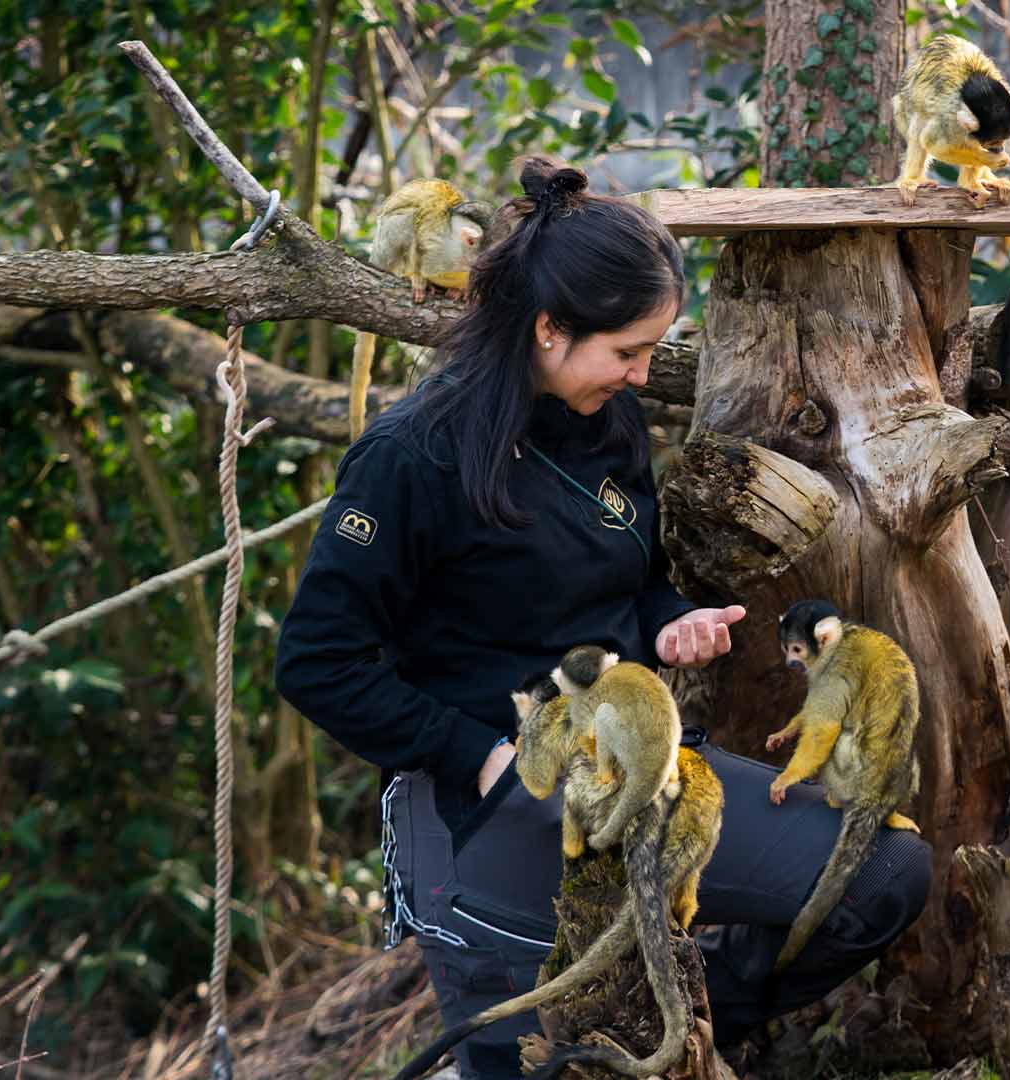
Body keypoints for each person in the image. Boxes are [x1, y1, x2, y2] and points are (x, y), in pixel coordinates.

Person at [274, 157, 932, 1079]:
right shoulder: (410, 457)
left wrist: (667, 623)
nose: (642, 374)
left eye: (651, 350)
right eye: (626, 352)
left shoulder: (607, 421)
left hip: (636, 777)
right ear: (549, 329)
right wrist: (481, 756)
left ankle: (670, 1019)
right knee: (533, 1056)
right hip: (488, 806)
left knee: (883, 874)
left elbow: (635, 580)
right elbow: (316, 661)